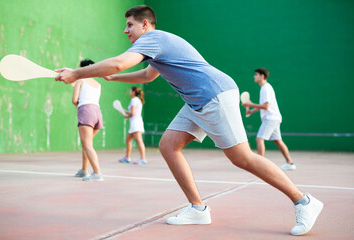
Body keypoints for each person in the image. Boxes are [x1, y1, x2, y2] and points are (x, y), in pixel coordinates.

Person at [55, 5, 323, 235]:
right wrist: (113, 78)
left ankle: (303, 201)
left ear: (145, 24)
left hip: (214, 95)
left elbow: (118, 63)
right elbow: (147, 75)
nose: (126, 31)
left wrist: (77, 73)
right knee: (168, 145)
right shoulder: (155, 47)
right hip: (196, 101)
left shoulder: (151, 39)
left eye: (130, 25)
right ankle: (198, 209)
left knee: (242, 158)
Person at [242, 68, 296, 171]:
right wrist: (251, 110)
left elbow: (266, 106)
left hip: (270, 118)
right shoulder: (265, 88)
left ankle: (259, 166)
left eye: (256, 75)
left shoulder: (265, 88)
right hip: (275, 118)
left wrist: (250, 104)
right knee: (278, 141)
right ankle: (290, 163)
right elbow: (264, 105)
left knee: (259, 139)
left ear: (262, 76)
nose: (254, 76)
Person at [72, 59, 104, 182]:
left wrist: (80, 108)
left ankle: (97, 173)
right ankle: (84, 170)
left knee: (87, 145)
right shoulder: (98, 84)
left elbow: (75, 100)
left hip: (86, 111)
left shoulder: (80, 80)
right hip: (97, 113)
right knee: (87, 144)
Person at [118, 86, 147, 165]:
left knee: (139, 141)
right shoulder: (136, 100)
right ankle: (127, 158)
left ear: (133, 92)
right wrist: (124, 111)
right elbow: (132, 112)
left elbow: (132, 113)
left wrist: (127, 116)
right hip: (134, 123)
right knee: (128, 140)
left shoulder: (134, 100)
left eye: (130, 91)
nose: (129, 92)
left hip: (136, 123)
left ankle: (143, 159)